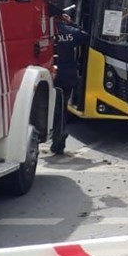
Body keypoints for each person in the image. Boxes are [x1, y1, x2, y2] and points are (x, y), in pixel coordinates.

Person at [51, 9, 88, 154]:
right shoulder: (69, 31)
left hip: (47, 74)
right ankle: (58, 141)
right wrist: (72, 23)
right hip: (65, 77)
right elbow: (85, 36)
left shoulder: (44, 30)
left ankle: (54, 137)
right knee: (61, 110)